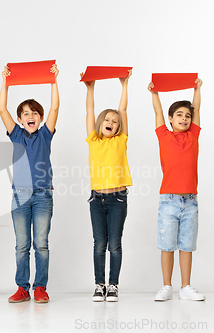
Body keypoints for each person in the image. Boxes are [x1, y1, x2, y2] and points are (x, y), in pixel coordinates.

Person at [0, 64, 59, 303]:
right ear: (20, 119)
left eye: (34, 113)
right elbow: (1, 108)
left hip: (43, 195)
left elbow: (55, 106)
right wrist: (5, 82)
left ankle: (40, 287)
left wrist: (53, 80)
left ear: (40, 118)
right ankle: (22, 288)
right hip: (20, 196)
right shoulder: (16, 134)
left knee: (41, 244)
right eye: (25, 113)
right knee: (21, 245)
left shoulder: (45, 134)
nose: (30, 116)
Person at [148, 78, 204, 301]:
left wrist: (196, 89)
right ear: (170, 119)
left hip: (190, 201)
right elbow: (158, 110)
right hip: (168, 200)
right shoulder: (164, 135)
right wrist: (154, 92)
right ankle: (166, 285)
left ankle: (186, 286)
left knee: (187, 246)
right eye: (179, 114)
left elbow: (197, 107)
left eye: (187, 116)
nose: (184, 118)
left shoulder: (193, 136)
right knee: (167, 245)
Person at [81, 70, 132, 302]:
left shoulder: (121, 140)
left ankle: (113, 285)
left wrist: (124, 86)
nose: (111, 122)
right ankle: (99, 284)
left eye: (115, 121)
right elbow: (90, 110)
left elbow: (123, 110)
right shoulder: (93, 139)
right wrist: (90, 88)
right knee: (99, 243)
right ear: (101, 123)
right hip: (96, 199)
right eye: (108, 120)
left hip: (118, 199)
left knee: (115, 244)